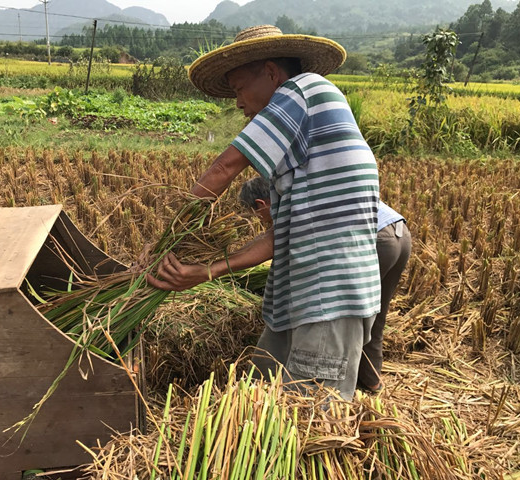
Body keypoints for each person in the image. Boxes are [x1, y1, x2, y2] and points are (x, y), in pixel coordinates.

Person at [146, 25, 380, 401]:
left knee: (307, 420)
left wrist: (165, 243)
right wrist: (205, 272)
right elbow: (279, 237)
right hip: (300, 297)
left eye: (239, 89)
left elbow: (224, 167)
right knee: (258, 396)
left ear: (271, 73)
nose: (238, 103)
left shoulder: (301, 89)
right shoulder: (300, 151)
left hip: (329, 298)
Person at [239, 177, 412, 393]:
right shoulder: (304, 188)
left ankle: (338, 381)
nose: (262, 221)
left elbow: (275, 245)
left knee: (348, 316)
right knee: (373, 314)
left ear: (260, 204)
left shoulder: (290, 203)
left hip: (373, 238)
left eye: (257, 216)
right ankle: (371, 382)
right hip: (398, 231)